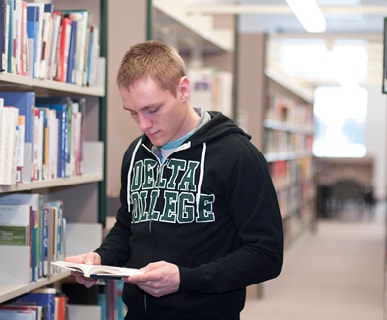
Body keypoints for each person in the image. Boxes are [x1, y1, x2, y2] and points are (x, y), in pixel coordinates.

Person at [65, 40, 284, 320]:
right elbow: (127, 228)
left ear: (183, 89)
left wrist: (185, 279)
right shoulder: (136, 154)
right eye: (133, 112)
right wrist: (99, 260)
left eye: (152, 109)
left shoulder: (238, 156)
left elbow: (266, 255)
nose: (143, 124)